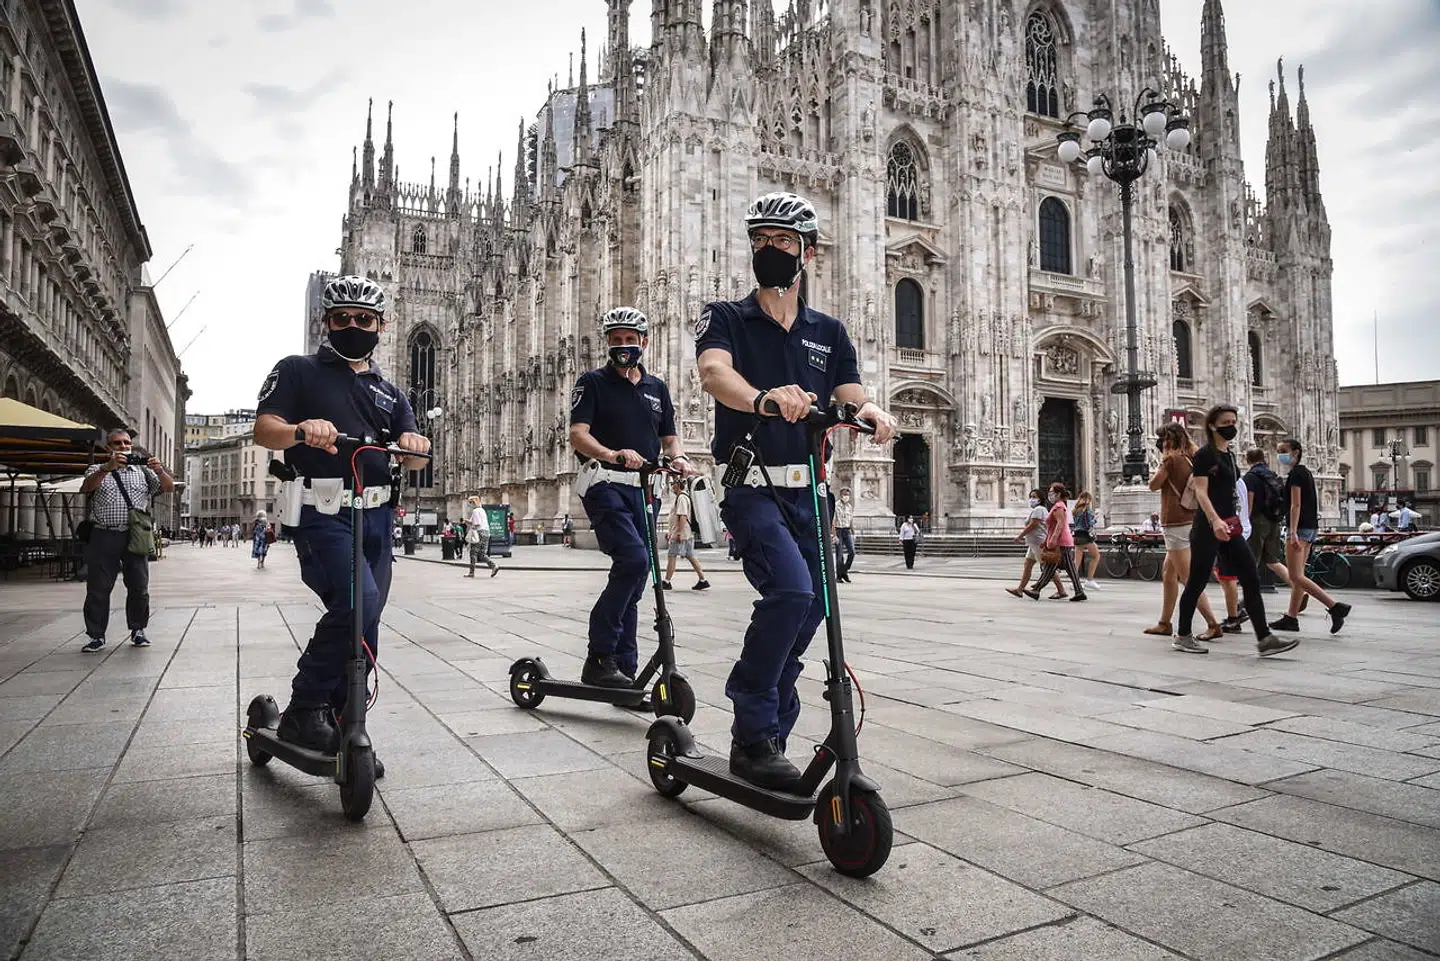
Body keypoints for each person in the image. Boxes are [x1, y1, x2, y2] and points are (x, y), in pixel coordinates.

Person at [696, 191, 896, 791]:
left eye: (781, 242)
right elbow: (713, 372)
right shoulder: (727, 316)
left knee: (815, 604)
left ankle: (771, 716)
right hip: (752, 485)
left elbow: (850, 393)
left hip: (811, 493)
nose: (769, 250)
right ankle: (752, 730)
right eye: (760, 240)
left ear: (808, 252)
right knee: (788, 591)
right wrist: (762, 397)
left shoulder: (827, 332)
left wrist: (874, 411)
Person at [252, 275, 431, 763]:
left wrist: (417, 447)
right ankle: (305, 705)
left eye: (364, 320)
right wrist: (299, 429)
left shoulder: (391, 393)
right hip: (322, 513)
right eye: (342, 319)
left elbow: (412, 458)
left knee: (367, 626)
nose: (353, 326)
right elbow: (264, 429)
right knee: (358, 604)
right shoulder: (298, 370)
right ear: (325, 322)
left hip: (376, 520)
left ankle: (346, 723)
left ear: (382, 326)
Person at [569, 306, 693, 688]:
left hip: (644, 490)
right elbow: (578, 434)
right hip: (605, 483)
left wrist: (679, 457)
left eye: (630, 339)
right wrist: (612, 453)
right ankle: (599, 656)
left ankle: (623, 665)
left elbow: (668, 436)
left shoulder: (657, 388)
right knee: (635, 560)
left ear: (644, 341)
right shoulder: (593, 382)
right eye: (616, 339)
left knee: (637, 577)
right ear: (608, 342)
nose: (623, 346)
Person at [1174, 405, 1291, 655]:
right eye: (1226, 421)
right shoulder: (1205, 455)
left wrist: (1234, 520)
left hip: (1230, 525)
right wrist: (1215, 520)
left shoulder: (1229, 454)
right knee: (1196, 582)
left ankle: (1264, 637)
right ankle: (1183, 634)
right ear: (1213, 426)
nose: (1232, 426)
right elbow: (1201, 492)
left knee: (1250, 575)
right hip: (1208, 527)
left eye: (1234, 421)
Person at [78, 428, 175, 652]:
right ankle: (96, 635)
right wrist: (106, 468)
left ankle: (138, 630)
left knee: (139, 586)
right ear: (108, 448)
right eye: (118, 444)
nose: (123, 447)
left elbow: (168, 487)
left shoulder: (142, 471)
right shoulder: (97, 469)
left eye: (127, 443)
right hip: (104, 534)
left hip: (135, 535)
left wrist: (159, 471)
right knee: (98, 588)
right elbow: (86, 488)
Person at [1146, 423, 1222, 640]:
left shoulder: (1171, 459)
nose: (1160, 444)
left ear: (1168, 439)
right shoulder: (1194, 457)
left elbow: (1153, 485)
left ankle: (1212, 623)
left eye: (1161, 440)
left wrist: (1161, 465)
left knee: (1188, 578)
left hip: (1175, 522)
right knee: (1169, 572)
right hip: (1192, 518)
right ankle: (1164, 623)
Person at [1270, 438, 1351, 635]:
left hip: (1300, 529)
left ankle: (1334, 607)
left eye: (1284, 450)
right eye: (1279, 450)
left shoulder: (1296, 474)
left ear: (1296, 452)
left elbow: (1295, 505)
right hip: (1311, 528)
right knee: (1299, 576)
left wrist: (1292, 531)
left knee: (1295, 575)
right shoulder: (1305, 472)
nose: (1280, 455)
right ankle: (1291, 617)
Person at [1240, 447, 1295, 612]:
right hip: (1274, 521)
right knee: (1272, 560)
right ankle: (1299, 588)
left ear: (1247, 460)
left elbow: (1249, 501)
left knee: (1251, 562)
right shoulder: (1272, 475)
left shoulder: (1250, 477)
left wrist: (1246, 521)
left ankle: (1247, 599)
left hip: (1258, 521)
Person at [1028, 481, 1087, 601]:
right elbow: (1053, 526)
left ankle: (1037, 590)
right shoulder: (1058, 505)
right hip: (1062, 541)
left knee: (1050, 567)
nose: (1049, 495)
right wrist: (1046, 540)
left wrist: (1053, 539)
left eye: (1051, 492)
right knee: (1067, 568)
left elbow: (1060, 524)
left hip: (1061, 541)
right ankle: (1079, 591)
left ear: (1058, 494)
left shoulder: (1059, 506)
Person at [1009, 488, 1062, 598]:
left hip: (1039, 542)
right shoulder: (1038, 510)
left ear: (1040, 499)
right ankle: (1019, 589)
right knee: (1028, 565)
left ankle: (1061, 590)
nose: (1031, 499)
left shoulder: (1039, 509)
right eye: (1030, 497)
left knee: (1046, 566)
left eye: (1034, 497)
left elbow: (1034, 524)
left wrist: (1020, 536)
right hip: (1033, 543)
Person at [663, 478, 710, 590]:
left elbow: (682, 516)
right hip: (685, 533)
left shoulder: (682, 498)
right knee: (690, 556)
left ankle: (667, 581)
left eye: (673, 484)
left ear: (679, 485)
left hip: (681, 534)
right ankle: (703, 580)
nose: (671, 486)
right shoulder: (682, 497)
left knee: (672, 555)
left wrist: (678, 533)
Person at [1071, 490, 1101, 591]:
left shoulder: (1075, 510)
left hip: (1077, 535)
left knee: (1077, 561)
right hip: (1085, 536)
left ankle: (1075, 582)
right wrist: (1095, 518)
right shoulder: (1086, 510)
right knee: (1096, 556)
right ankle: (1089, 580)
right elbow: (1089, 524)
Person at [464, 495, 499, 578]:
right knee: (482, 554)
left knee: (473, 552)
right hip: (486, 533)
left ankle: (471, 572)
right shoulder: (482, 510)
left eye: (470, 502)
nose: (469, 505)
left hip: (479, 533)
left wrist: (469, 523)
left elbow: (477, 523)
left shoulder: (475, 511)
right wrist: (468, 521)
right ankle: (494, 566)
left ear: (474, 502)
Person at [832, 486, 855, 583]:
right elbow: (832, 521)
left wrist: (853, 533)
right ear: (841, 495)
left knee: (852, 552)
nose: (846, 496)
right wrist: (834, 535)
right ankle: (839, 576)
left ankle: (844, 570)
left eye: (848, 495)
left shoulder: (849, 506)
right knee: (839, 554)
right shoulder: (836, 505)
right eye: (845, 494)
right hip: (838, 530)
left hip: (847, 530)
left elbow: (851, 521)